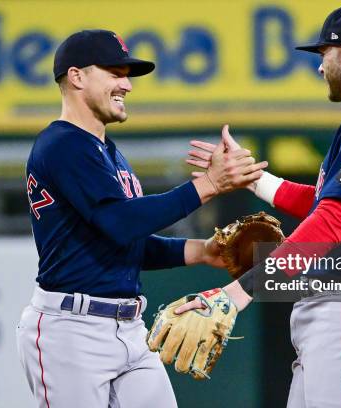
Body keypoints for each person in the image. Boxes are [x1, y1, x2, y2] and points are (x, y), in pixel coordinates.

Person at [179, 5, 341, 407]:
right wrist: (256, 179)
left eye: (324, 55)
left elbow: (331, 223)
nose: (319, 67)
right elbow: (332, 203)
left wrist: (238, 293)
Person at [15, 29, 267, 408]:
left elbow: (120, 240)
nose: (126, 85)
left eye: (126, 75)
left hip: (129, 330)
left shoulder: (106, 151)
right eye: (114, 72)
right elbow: (121, 222)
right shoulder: (63, 143)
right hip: (71, 332)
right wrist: (209, 184)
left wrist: (200, 251)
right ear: (77, 76)